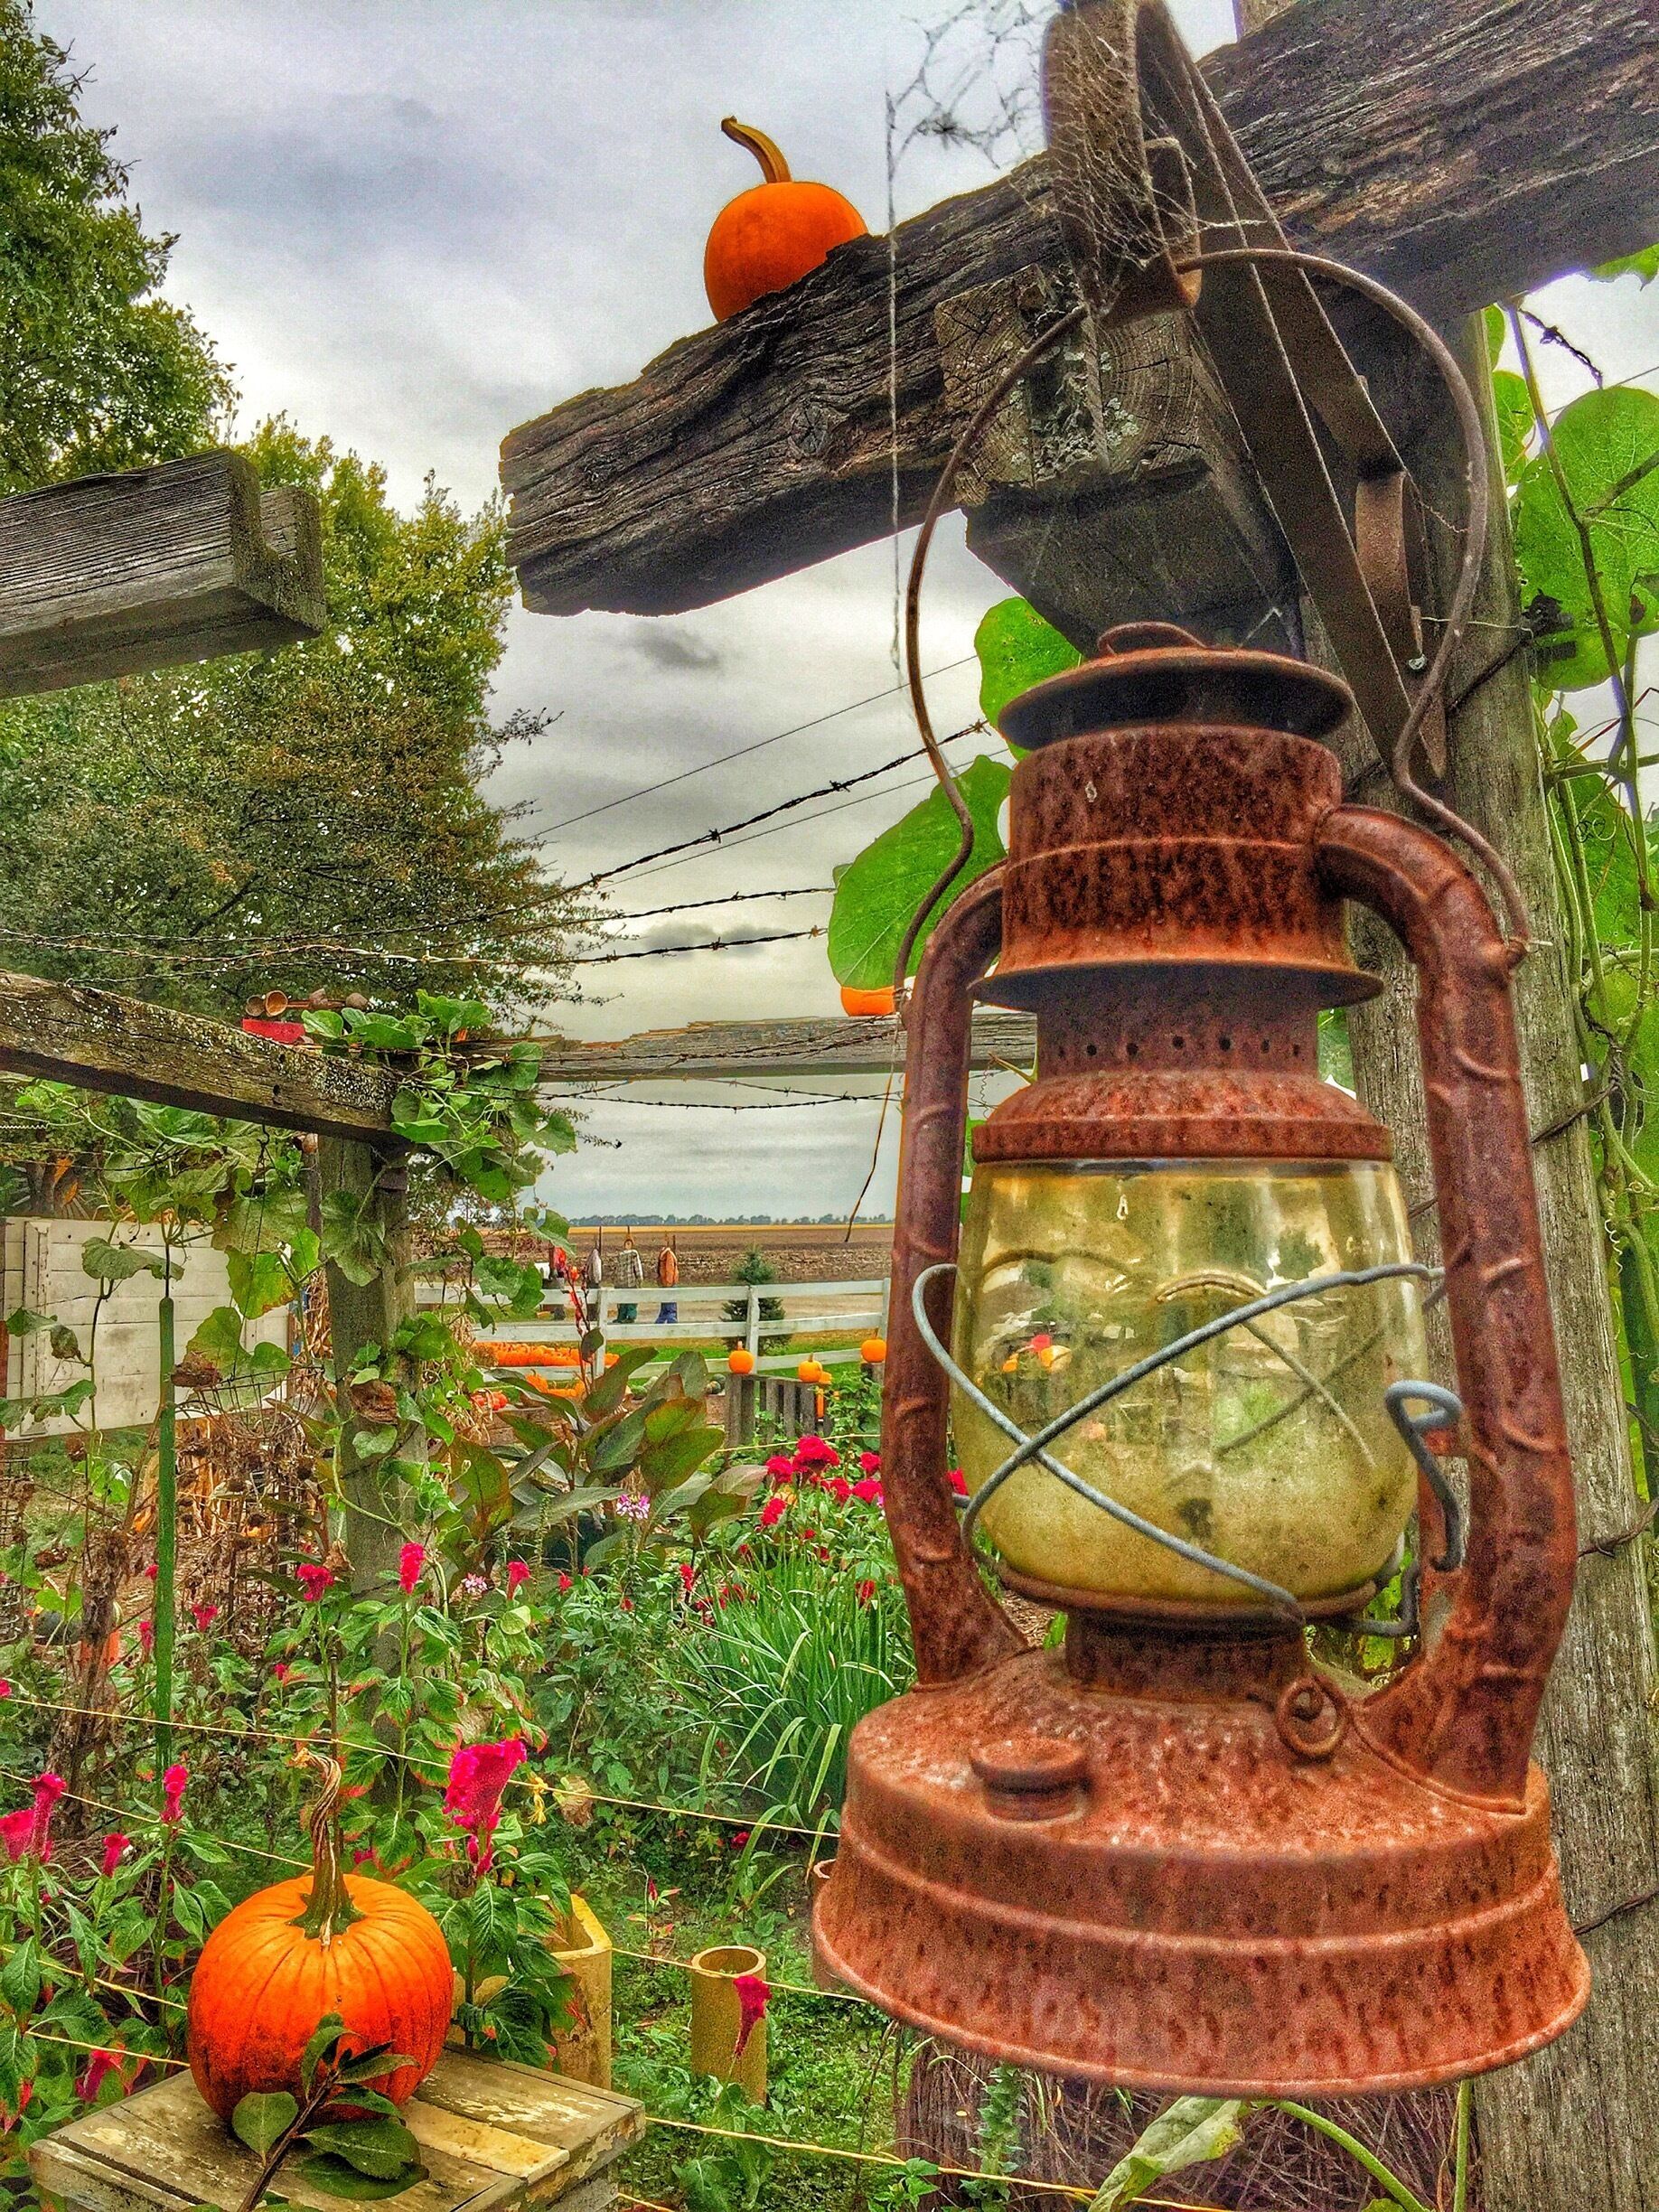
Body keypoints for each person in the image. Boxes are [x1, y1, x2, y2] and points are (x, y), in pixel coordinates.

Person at [614, 1225, 644, 1325]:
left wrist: (616, 1282)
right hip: (631, 1282)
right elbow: (637, 1267)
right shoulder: (634, 1254)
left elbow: (617, 1269)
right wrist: (640, 1278)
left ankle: (621, 1317)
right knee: (631, 1300)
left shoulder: (620, 1255)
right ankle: (631, 1317)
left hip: (621, 1282)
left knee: (622, 1301)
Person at [654, 1234, 679, 1326]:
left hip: (667, 1283)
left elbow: (669, 1269)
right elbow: (668, 1269)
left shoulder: (666, 1254)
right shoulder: (667, 1254)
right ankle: (666, 1324)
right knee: (668, 1307)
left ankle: (665, 1323)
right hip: (668, 1283)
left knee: (667, 1307)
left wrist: (667, 1283)